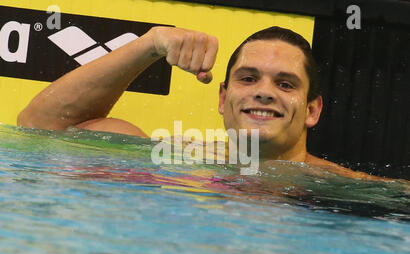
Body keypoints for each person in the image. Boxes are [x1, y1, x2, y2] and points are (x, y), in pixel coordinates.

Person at [16, 26, 387, 180]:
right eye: (248, 78)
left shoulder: (341, 186)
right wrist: (151, 42)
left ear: (312, 110)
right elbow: (40, 128)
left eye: (285, 83)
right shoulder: (175, 158)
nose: (264, 91)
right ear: (223, 98)